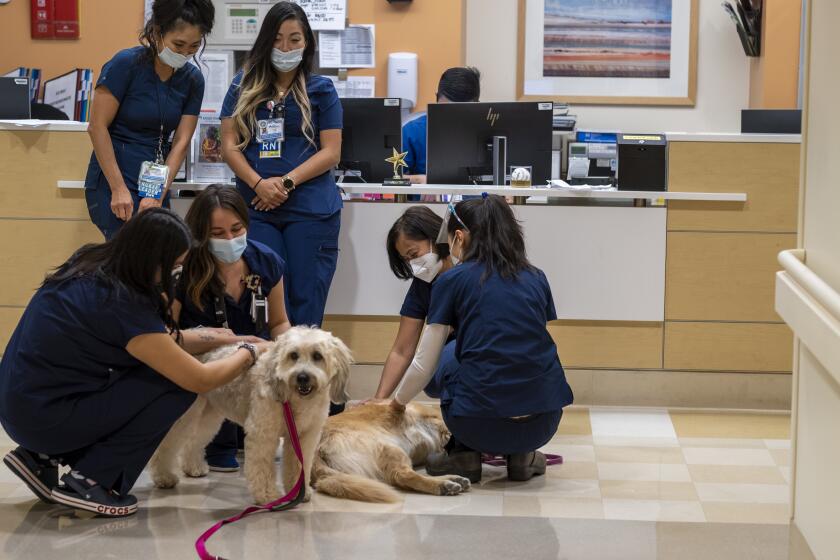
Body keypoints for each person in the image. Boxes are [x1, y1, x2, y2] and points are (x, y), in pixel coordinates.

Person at [0, 208, 271, 517]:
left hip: (19, 406)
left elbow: (157, 341)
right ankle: (91, 481)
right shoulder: (122, 302)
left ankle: (43, 457)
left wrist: (222, 338)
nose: (175, 274)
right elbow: (200, 380)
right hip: (45, 418)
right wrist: (250, 350)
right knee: (175, 385)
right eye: (175, 266)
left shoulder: (90, 264)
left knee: (151, 369)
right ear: (153, 261)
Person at [390, 195, 574, 484]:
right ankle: (523, 456)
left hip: (477, 427)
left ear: (460, 237)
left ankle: (463, 453)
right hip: (545, 423)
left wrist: (395, 405)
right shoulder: (537, 277)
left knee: (449, 357)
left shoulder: (452, 281)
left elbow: (424, 364)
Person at [219, 1, 342, 331]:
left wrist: (284, 183)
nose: (285, 47)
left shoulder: (322, 90)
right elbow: (228, 146)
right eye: (277, 39)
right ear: (264, 41)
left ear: (307, 43)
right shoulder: (241, 85)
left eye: (294, 39)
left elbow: (331, 152)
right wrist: (260, 184)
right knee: (262, 298)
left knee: (306, 298)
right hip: (256, 207)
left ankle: (307, 381)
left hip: (311, 208)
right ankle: (267, 375)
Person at [174, 184, 291, 472]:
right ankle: (214, 444)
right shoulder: (184, 269)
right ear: (201, 234)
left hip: (253, 358)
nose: (230, 239)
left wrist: (289, 349)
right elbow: (167, 335)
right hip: (200, 360)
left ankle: (243, 434)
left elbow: (278, 322)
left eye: (237, 229)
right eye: (218, 234)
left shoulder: (265, 261)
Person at [85, 0, 214, 240]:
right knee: (126, 260)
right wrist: (118, 188)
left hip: (155, 182)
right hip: (114, 178)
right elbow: (97, 127)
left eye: (194, 46)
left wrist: (157, 195)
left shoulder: (193, 80)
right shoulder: (126, 64)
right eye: (178, 45)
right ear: (156, 31)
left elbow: (181, 142)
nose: (185, 53)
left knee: (156, 258)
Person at [373, 206, 457, 400]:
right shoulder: (423, 285)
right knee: (436, 372)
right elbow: (402, 350)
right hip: (449, 352)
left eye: (414, 253)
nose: (413, 263)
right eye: (407, 259)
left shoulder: (467, 271)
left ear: (434, 237)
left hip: (481, 348)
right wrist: (379, 399)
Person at [402, 67, 481, 184]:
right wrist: (419, 180)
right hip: (426, 201)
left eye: (462, 110)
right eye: (447, 109)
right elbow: (388, 178)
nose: (454, 118)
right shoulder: (413, 131)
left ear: (477, 104)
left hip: (479, 200)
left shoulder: (491, 131)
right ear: (436, 98)